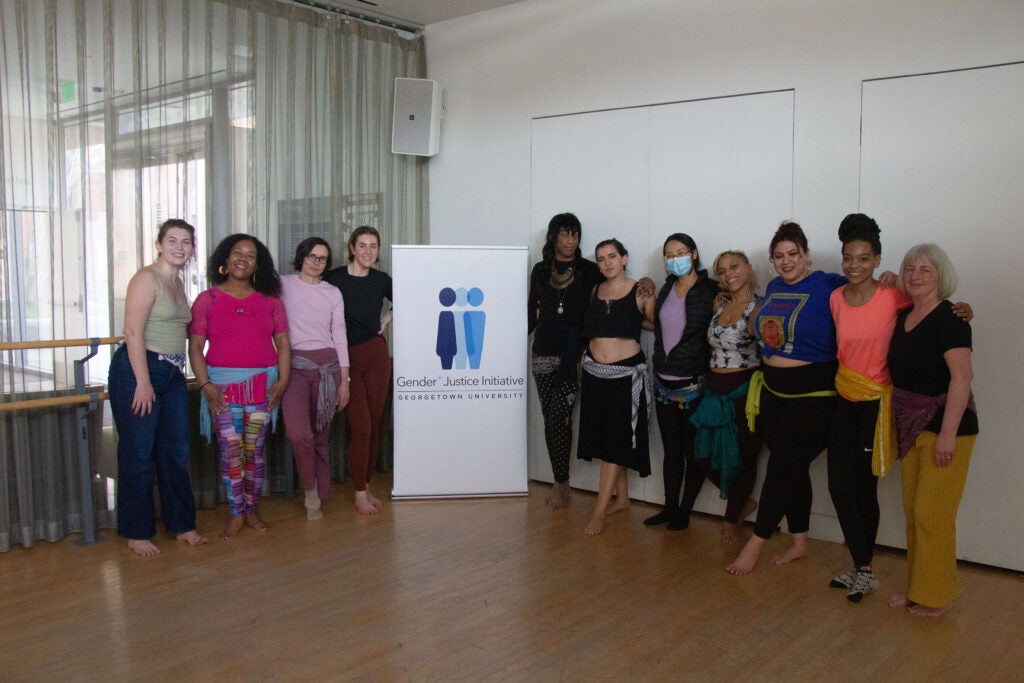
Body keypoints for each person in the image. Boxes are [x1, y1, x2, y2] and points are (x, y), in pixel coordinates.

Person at [727, 221, 844, 575]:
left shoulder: (828, 284)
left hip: (813, 393)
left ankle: (756, 544)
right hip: (775, 391)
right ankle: (799, 541)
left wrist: (892, 282)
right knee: (792, 467)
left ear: (806, 255)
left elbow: (871, 296)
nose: (786, 261)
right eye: (779, 256)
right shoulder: (775, 287)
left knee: (782, 468)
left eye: (793, 254)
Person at [886, 244, 977, 617]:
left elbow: (962, 377)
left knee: (932, 515)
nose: (916, 275)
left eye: (926, 269)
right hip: (911, 426)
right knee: (914, 512)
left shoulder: (952, 319)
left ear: (941, 275)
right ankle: (918, 588)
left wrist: (947, 436)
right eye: (910, 268)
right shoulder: (904, 313)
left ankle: (936, 596)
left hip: (948, 428)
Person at [108, 219, 208, 556]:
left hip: (173, 374)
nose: (180, 247)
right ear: (159, 244)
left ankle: (182, 524)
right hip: (140, 370)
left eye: (186, 242)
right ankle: (137, 531)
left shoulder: (179, 284)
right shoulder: (146, 278)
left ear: (193, 248)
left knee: (176, 451)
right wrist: (143, 382)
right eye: (172, 240)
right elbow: (132, 332)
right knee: (138, 454)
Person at [189, 234, 290, 539]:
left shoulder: (270, 301)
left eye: (250, 255)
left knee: (254, 452)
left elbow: (283, 343)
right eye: (237, 253)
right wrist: (205, 384)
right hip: (221, 390)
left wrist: (283, 382)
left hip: (262, 387)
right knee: (231, 451)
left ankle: (252, 509)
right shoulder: (207, 300)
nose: (243, 259)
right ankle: (236, 513)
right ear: (225, 258)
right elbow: (195, 347)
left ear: (258, 265)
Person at [577, 239, 655, 535]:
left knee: (615, 441)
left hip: (624, 376)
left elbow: (656, 323)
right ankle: (622, 499)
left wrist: (639, 310)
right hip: (595, 373)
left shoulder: (641, 290)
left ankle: (599, 511)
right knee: (606, 438)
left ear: (624, 258)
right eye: (601, 259)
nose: (606, 263)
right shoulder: (595, 291)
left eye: (612, 256)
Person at [642, 233, 718, 531]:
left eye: (681, 252)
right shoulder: (666, 288)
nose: (676, 258)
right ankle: (669, 506)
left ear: (695, 254)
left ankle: (684, 511)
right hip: (663, 381)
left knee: (692, 451)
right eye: (670, 254)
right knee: (671, 451)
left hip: (694, 383)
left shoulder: (712, 289)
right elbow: (659, 327)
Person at [527, 213, 602, 509]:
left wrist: (645, 282)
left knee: (560, 413)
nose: (570, 241)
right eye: (564, 234)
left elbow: (614, 290)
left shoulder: (589, 270)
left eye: (575, 235)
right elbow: (531, 308)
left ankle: (560, 482)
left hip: (575, 353)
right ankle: (563, 481)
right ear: (553, 237)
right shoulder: (541, 269)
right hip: (543, 348)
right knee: (551, 417)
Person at [689, 250, 763, 543]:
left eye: (734, 266)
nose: (728, 273)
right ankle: (741, 502)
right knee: (703, 455)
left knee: (744, 457)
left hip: (744, 391)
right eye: (721, 270)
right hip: (714, 388)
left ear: (748, 268)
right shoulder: (720, 304)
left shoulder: (759, 307)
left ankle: (731, 519)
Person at [280, 237, 350, 520]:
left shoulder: (332, 292)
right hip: (294, 368)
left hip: (328, 370)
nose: (316, 262)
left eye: (321, 258)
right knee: (299, 434)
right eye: (311, 256)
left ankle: (319, 495)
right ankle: (309, 488)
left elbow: (340, 334)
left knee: (321, 437)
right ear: (302, 256)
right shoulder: (283, 285)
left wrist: (345, 380)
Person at [324, 226, 393, 515]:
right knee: (361, 426)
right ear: (352, 248)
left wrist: (387, 319)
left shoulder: (382, 280)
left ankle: (366, 483)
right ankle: (359, 492)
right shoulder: (334, 278)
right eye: (362, 245)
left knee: (374, 425)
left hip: (376, 355)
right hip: (345, 358)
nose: (368, 251)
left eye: (373, 246)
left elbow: (411, 299)